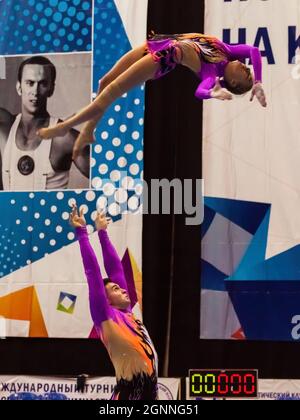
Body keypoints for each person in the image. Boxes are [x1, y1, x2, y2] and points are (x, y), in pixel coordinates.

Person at [37, 33, 267, 159]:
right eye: (249, 69)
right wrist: (257, 81)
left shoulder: (211, 74)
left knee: (109, 93)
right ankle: (88, 131)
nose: (247, 67)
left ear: (233, 82)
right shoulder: (227, 51)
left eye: (246, 74)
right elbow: (254, 51)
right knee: (104, 82)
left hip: (165, 57)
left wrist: (212, 93)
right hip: (160, 41)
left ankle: (65, 126)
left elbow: (199, 92)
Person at [69, 204, 158, 400]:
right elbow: (93, 272)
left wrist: (103, 233)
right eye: (116, 289)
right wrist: (82, 233)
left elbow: (116, 270)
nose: (123, 288)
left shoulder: (129, 315)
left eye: (120, 287)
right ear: (106, 300)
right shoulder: (106, 316)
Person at [0, 55, 89, 190]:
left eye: (42, 84)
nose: (35, 92)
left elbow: (110, 177)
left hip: (49, 211)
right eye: (30, 83)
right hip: (10, 211)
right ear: (19, 87)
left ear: (51, 89)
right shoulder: (5, 126)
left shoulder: (65, 138)